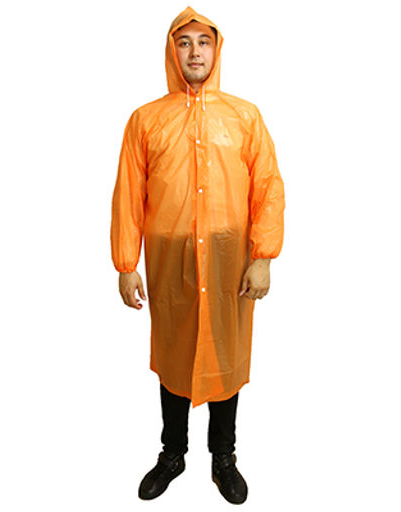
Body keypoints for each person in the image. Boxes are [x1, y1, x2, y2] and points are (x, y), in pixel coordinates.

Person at [110, 6, 285, 505]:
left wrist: (263, 256)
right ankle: (173, 454)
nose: (194, 52)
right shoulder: (146, 120)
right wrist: (126, 264)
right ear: (172, 52)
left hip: (231, 261)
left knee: (225, 354)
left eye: (202, 42)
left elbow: (268, 188)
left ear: (216, 50)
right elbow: (128, 195)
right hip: (171, 262)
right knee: (175, 355)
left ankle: (223, 457)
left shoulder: (245, 116)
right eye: (184, 43)